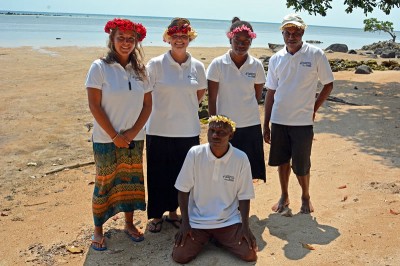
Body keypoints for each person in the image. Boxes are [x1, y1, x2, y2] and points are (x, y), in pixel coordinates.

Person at [85, 18, 151, 251]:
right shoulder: (99, 67)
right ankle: (98, 229)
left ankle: (129, 223)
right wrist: (114, 135)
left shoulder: (141, 71)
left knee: (131, 181)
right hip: (105, 138)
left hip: (135, 138)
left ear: (136, 42)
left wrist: (132, 133)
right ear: (112, 40)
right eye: (120, 38)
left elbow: (147, 106)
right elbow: (94, 105)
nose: (125, 43)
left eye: (130, 39)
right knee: (104, 182)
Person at [263, 14, 334, 214]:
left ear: (302, 33)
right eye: (287, 32)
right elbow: (271, 91)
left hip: (302, 122)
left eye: (296, 32)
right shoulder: (276, 58)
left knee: (302, 163)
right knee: (282, 161)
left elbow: (328, 84)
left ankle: (305, 196)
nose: (291, 36)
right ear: (282, 34)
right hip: (279, 119)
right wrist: (266, 123)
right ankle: (284, 195)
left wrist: (314, 107)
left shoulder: (315, 54)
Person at [145, 18, 207, 233]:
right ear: (168, 39)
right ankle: (155, 215)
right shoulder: (155, 64)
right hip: (158, 129)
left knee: (183, 174)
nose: (179, 40)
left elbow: (199, 93)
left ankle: (174, 212)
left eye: (184, 37)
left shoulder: (197, 66)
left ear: (189, 39)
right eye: (175, 37)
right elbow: (145, 95)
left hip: (188, 129)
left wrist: (184, 107)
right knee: (158, 173)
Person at [172, 115, 257, 264]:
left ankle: (218, 238)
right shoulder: (195, 154)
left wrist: (245, 227)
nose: (215, 135)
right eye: (211, 130)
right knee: (180, 256)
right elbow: (183, 190)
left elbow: (244, 196)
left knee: (250, 255)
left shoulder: (240, 158)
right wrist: (185, 223)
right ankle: (213, 238)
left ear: (231, 135)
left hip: (228, 221)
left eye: (221, 132)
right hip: (197, 222)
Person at [207, 17, 266, 182]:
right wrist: (214, 123)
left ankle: (242, 207)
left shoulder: (256, 65)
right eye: (237, 40)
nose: (241, 44)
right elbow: (212, 98)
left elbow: (256, 95)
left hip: (250, 125)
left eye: (246, 41)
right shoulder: (218, 64)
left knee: (247, 173)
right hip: (225, 127)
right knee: (224, 172)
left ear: (251, 42)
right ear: (229, 39)